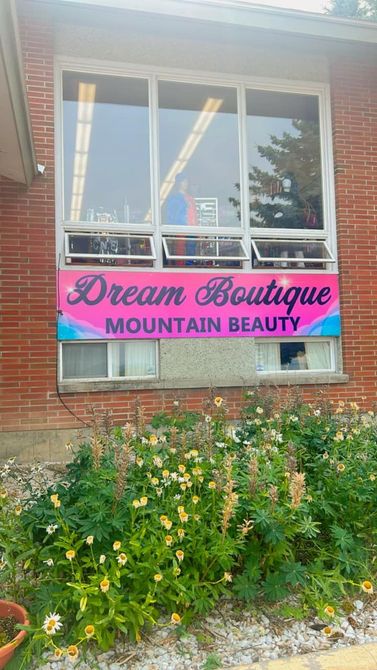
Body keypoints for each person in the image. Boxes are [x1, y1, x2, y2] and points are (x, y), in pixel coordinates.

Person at [166, 173, 198, 265]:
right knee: (180, 249)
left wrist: (197, 229)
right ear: (179, 183)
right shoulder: (174, 198)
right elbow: (171, 215)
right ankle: (181, 267)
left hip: (192, 229)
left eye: (186, 181)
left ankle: (189, 266)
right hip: (181, 229)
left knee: (191, 250)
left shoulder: (191, 199)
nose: (186, 183)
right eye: (184, 181)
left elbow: (194, 215)